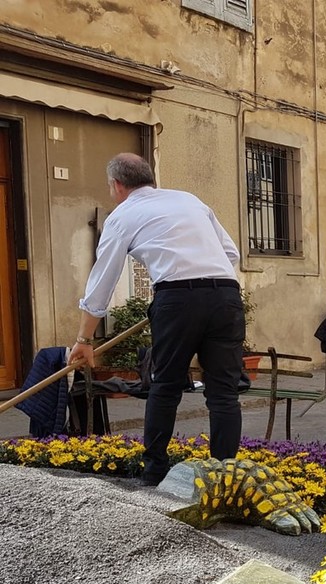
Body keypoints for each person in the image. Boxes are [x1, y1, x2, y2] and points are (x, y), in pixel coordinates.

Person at [68, 153, 245, 486]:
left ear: (116, 185)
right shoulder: (190, 200)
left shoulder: (122, 216)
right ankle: (224, 477)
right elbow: (230, 253)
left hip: (177, 299)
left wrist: (84, 340)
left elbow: (101, 282)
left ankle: (154, 473)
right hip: (225, 294)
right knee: (224, 393)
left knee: (164, 386)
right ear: (149, 178)